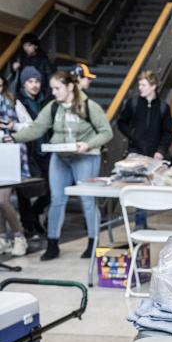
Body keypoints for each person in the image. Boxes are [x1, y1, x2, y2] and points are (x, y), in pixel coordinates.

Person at [9, 71, 113, 261]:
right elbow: (36, 129)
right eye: (52, 88)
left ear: (70, 87)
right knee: (57, 200)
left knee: (87, 201)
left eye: (57, 88)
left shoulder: (89, 106)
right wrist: (13, 138)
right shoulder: (53, 107)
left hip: (85, 157)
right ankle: (52, 244)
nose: (54, 92)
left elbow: (107, 132)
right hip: (60, 156)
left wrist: (88, 144)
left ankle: (93, 242)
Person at [117, 70, 172, 228]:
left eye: (143, 85)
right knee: (138, 187)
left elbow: (167, 132)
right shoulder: (133, 103)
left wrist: (161, 151)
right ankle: (140, 223)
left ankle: (141, 222)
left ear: (153, 86)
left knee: (149, 188)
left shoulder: (163, 107)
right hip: (135, 152)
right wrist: (132, 134)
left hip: (154, 154)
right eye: (139, 84)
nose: (139, 88)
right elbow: (121, 122)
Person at [14, 67, 51, 238]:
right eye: (30, 81)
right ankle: (28, 224)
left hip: (46, 148)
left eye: (37, 81)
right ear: (23, 84)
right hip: (27, 150)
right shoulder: (17, 101)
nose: (35, 85)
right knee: (24, 191)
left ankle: (36, 213)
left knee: (51, 188)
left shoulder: (46, 100)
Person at [0, 75, 30, 256]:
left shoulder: (14, 103)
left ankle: (19, 236)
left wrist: (13, 126)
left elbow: (30, 126)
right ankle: (3, 238)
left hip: (9, 154)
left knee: (3, 199)